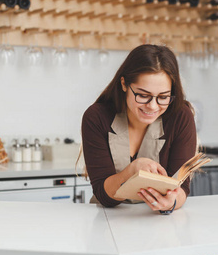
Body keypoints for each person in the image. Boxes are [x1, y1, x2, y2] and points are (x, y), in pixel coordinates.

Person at [81, 44, 197, 213]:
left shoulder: (180, 117)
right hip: (108, 217)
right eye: (143, 95)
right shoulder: (97, 117)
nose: (152, 106)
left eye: (163, 97)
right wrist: (132, 170)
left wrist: (171, 203)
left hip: (157, 218)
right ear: (124, 84)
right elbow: (102, 193)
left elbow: (181, 187)